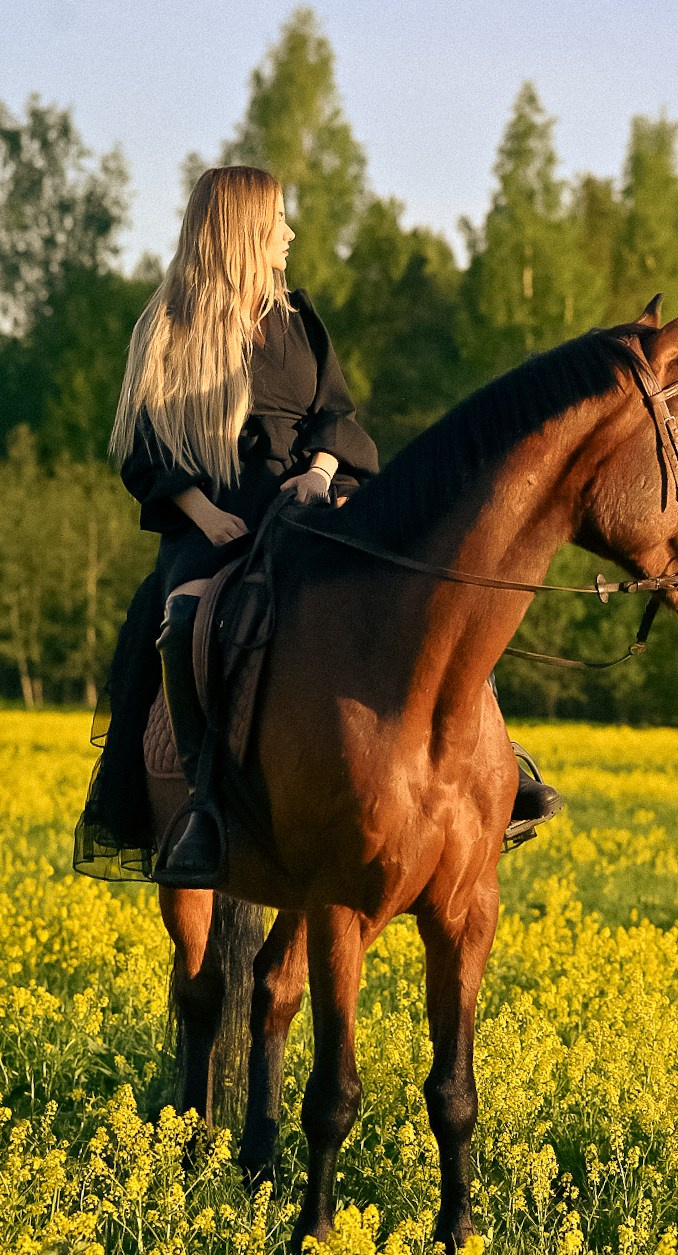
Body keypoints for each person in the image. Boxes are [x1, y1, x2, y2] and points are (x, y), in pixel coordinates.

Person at [76, 165, 560, 890]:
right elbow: (146, 445)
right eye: (276, 223)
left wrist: (324, 469)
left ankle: (499, 769)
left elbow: (335, 410)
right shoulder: (169, 328)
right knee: (182, 620)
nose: (289, 235)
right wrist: (204, 515)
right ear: (239, 233)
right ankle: (206, 806)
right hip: (214, 522)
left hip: (309, 504)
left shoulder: (297, 319)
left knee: (425, 587)